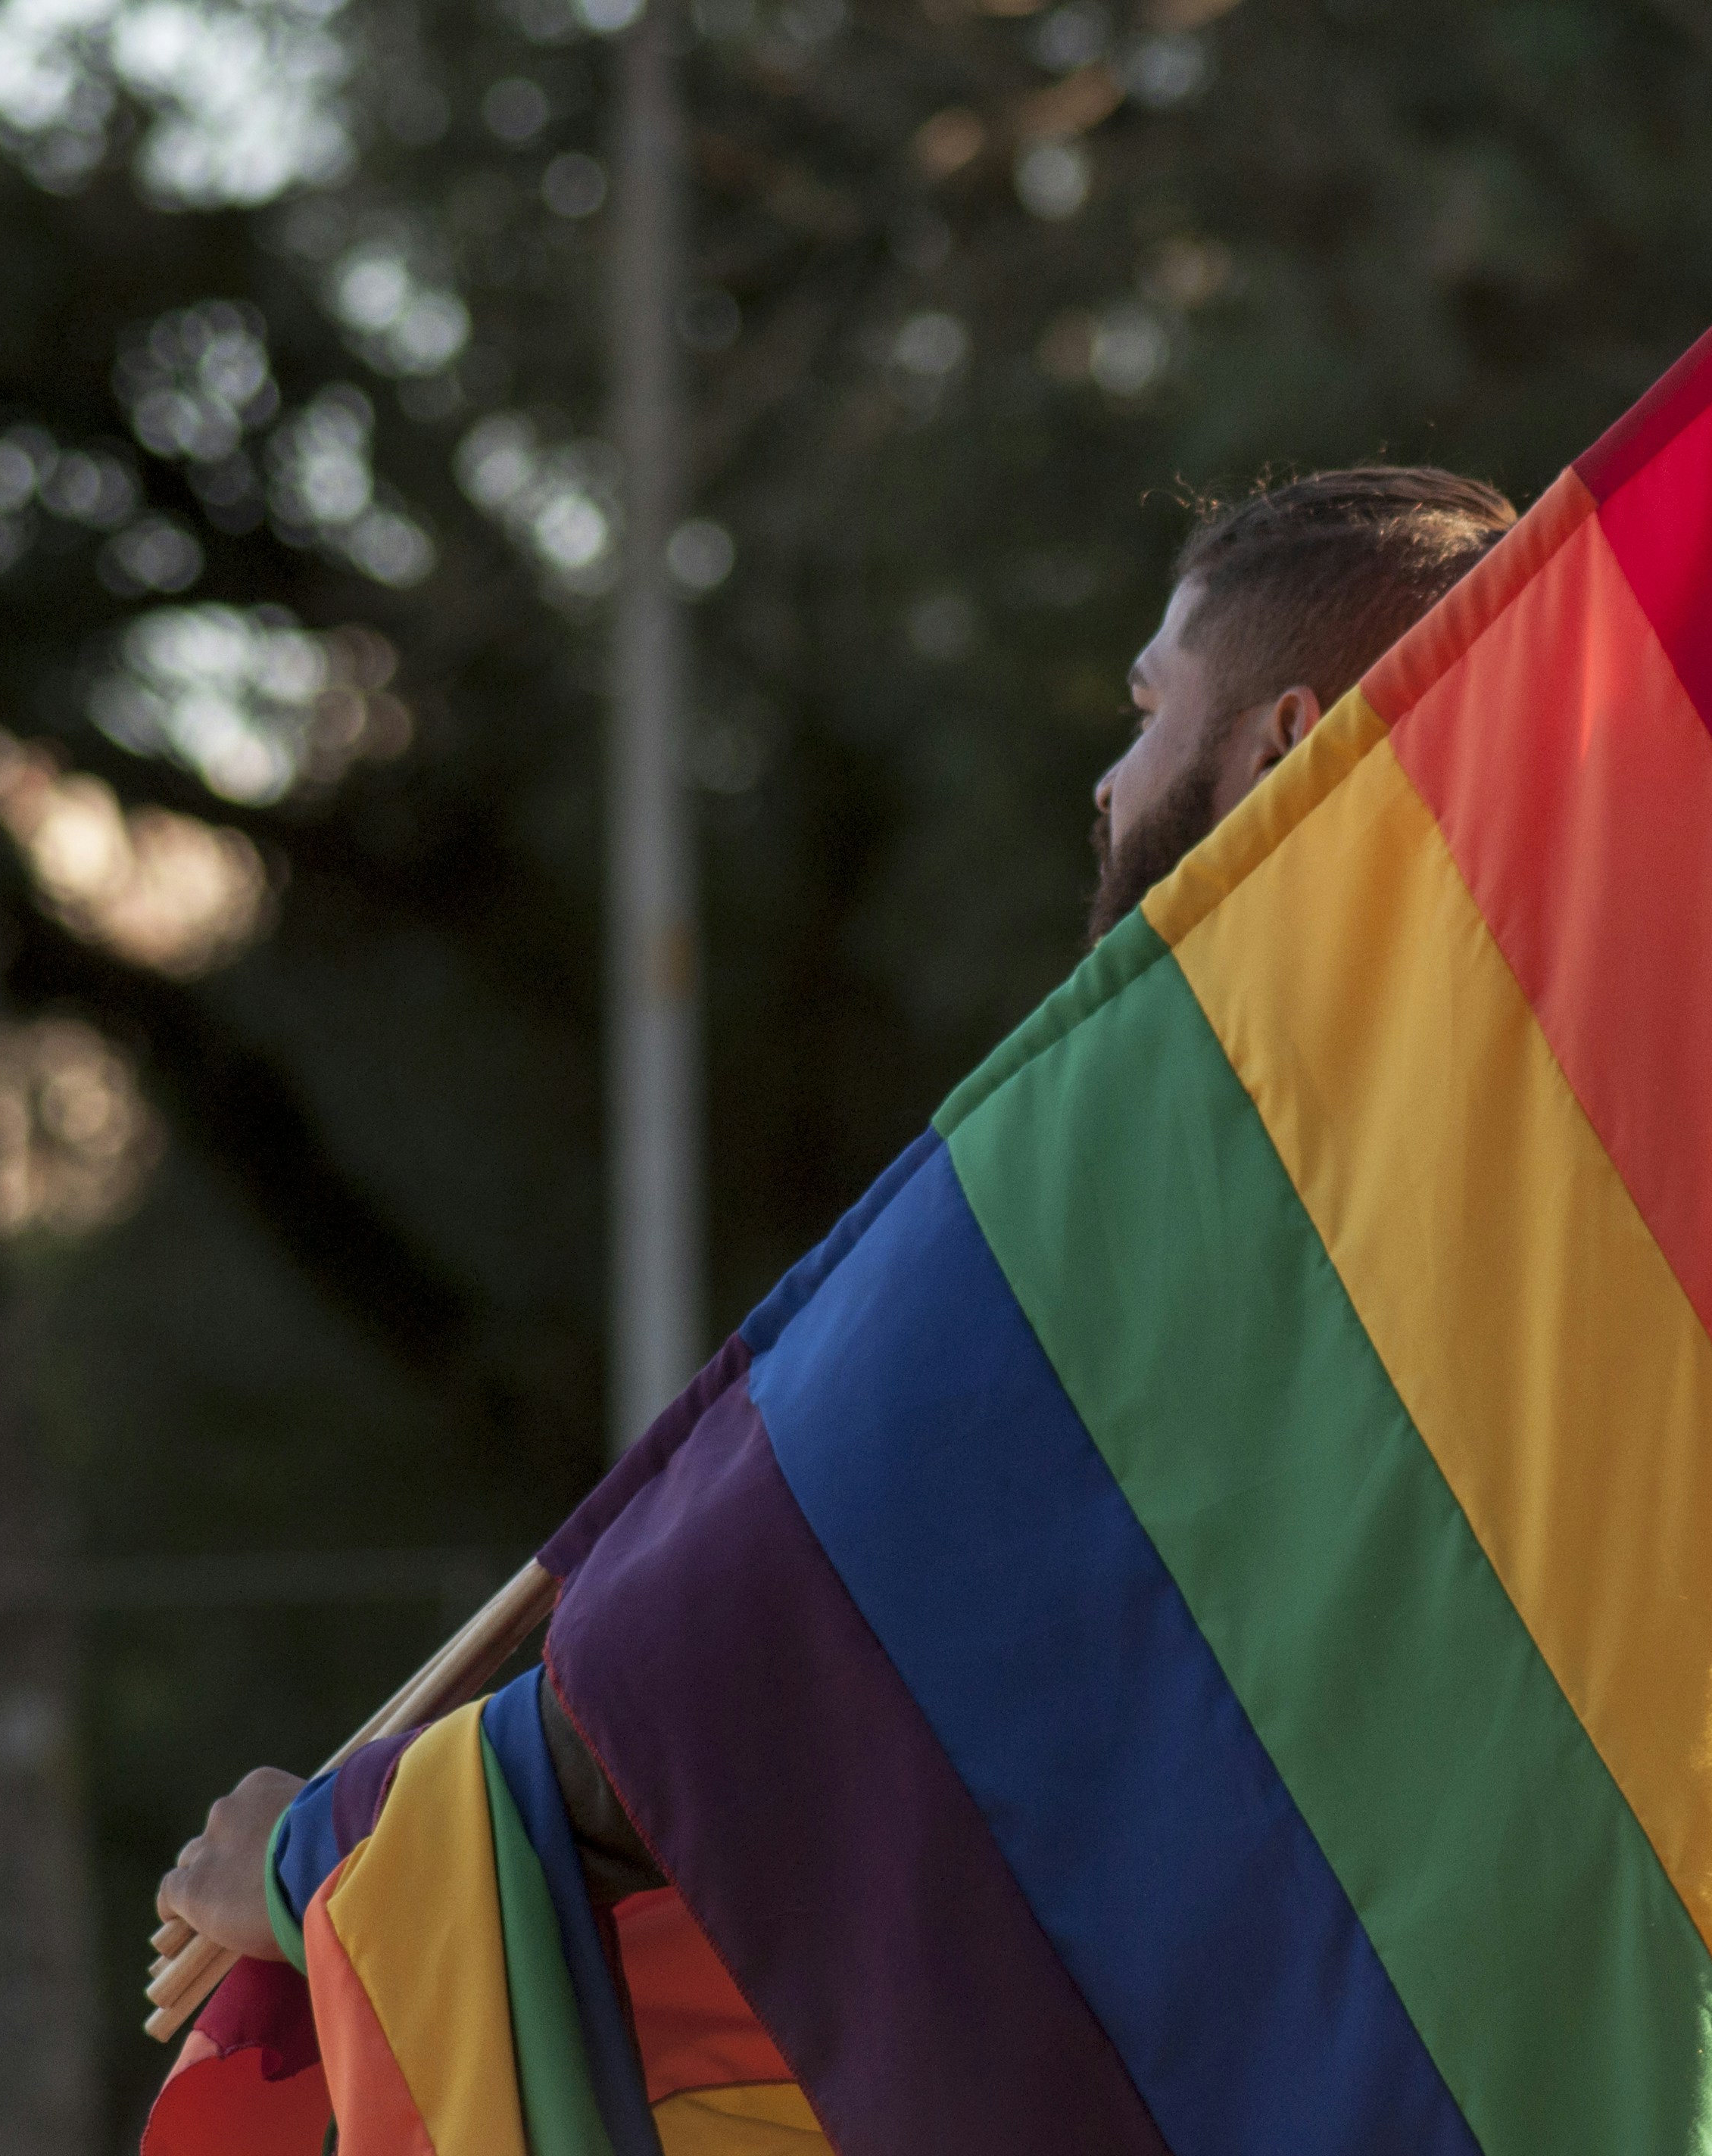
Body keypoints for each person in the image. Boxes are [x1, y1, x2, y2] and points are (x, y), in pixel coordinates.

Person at [154, 463, 1522, 1974]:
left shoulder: (1172, 1178)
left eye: (1147, 712)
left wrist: (326, 1853)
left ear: (1291, 742)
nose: (1108, 782)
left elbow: (784, 1678)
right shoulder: (1557, 1184)